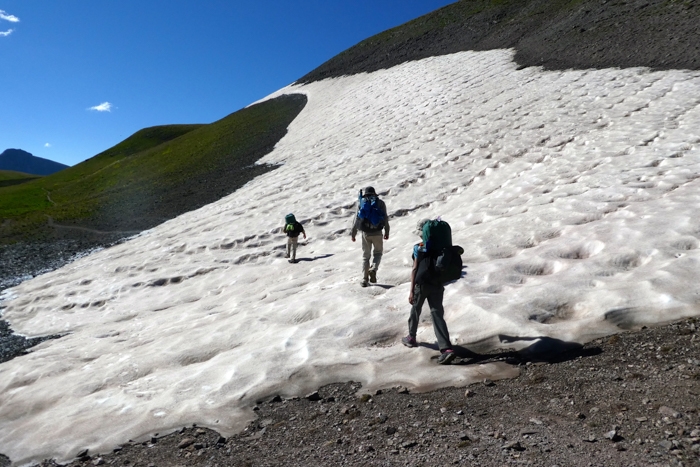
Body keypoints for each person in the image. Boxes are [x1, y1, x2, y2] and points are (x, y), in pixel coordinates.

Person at [401, 219, 456, 365]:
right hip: (437, 284)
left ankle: (411, 337)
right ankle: (446, 349)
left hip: (422, 284)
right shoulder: (442, 247)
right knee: (437, 314)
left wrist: (411, 290)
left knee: (415, 309)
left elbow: (414, 269)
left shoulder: (418, 248)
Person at [351, 186, 390, 287]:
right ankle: (373, 269)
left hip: (366, 233)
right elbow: (385, 218)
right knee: (378, 253)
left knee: (366, 257)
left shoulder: (362, 203)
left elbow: (356, 219)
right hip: (377, 232)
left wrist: (353, 233)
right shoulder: (380, 203)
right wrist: (387, 231)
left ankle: (364, 279)